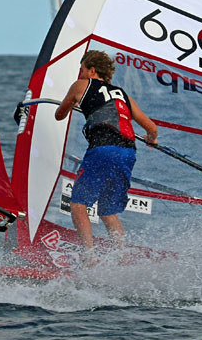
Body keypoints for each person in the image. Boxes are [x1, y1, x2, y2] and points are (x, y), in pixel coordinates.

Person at [55, 50, 157, 264]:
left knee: (78, 204)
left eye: (81, 70)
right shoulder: (122, 94)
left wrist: (74, 103)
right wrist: (151, 138)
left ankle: (89, 258)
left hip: (102, 149)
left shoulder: (80, 86)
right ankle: (122, 258)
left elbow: (59, 114)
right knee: (108, 211)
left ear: (92, 70)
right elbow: (151, 128)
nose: (79, 74)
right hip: (128, 152)